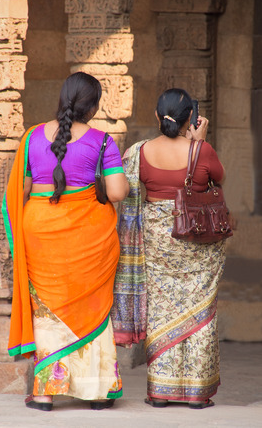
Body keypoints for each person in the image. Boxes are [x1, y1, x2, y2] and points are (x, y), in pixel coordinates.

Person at [2, 72, 129, 411]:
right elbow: (116, 192)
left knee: (48, 311)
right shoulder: (102, 141)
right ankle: (98, 391)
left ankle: (45, 392)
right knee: (92, 308)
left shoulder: (31, 138)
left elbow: (22, 192)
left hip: (40, 235)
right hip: (88, 237)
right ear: (94, 106)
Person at [112, 88, 226, 409]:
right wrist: (199, 142)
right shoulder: (201, 151)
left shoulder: (140, 151)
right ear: (191, 117)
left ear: (157, 116)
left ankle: (161, 392)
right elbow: (219, 178)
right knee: (200, 307)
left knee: (163, 308)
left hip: (156, 238)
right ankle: (196, 394)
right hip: (196, 238)